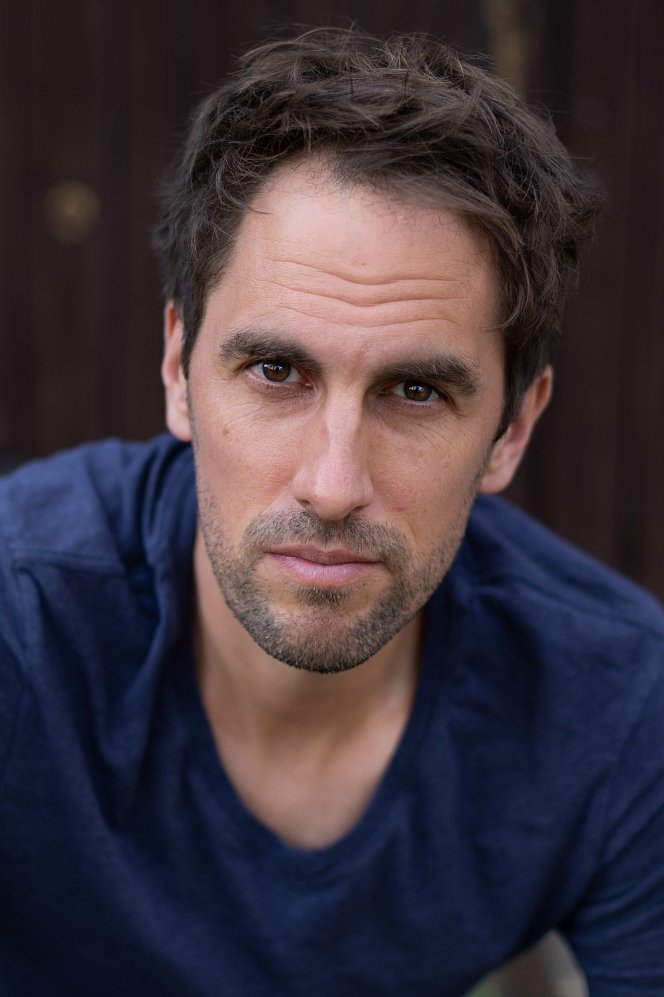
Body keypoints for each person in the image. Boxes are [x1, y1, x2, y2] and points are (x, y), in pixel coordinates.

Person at [0, 26, 662, 997]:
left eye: (416, 391)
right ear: (179, 368)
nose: (333, 483)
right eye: (276, 370)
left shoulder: (616, 706)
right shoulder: (20, 623)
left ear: (513, 429)